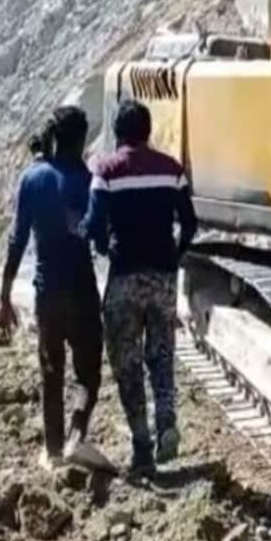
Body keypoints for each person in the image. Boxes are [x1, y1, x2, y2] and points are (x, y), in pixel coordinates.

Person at [81, 99, 198, 474]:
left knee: (127, 362)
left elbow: (94, 223)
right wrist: (173, 255)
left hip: (124, 276)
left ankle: (142, 446)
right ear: (148, 131)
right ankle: (167, 422)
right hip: (162, 277)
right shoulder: (172, 170)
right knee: (161, 355)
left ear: (118, 133)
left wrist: (104, 247)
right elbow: (190, 224)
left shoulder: (107, 170)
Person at [0, 107, 104, 471]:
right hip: (83, 289)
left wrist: (5, 295)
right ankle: (77, 437)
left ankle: (53, 452)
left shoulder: (32, 179)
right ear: (83, 138)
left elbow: (17, 240)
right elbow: (100, 238)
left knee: (51, 371)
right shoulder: (89, 180)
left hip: (48, 293)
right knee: (87, 371)